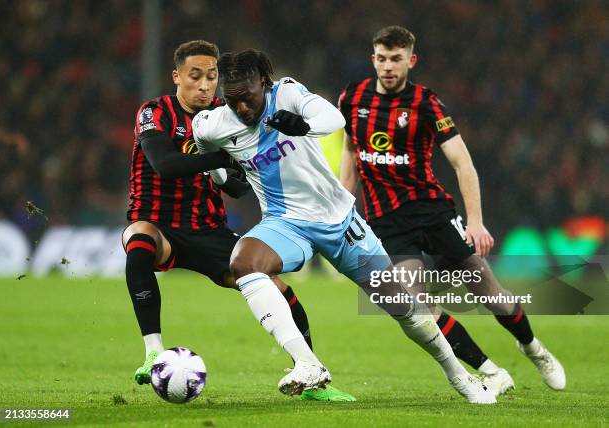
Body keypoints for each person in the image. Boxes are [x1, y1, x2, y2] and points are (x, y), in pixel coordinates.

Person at [192, 49, 496, 404]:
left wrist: (301, 125)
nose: (242, 108)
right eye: (232, 101)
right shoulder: (214, 123)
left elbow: (333, 117)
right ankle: (307, 363)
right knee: (244, 263)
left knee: (407, 310)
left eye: (247, 98)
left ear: (263, 83)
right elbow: (204, 149)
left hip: (340, 223)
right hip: (285, 223)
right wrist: (223, 177)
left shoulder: (286, 93)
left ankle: (461, 378)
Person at [338, 25, 566, 395]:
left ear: (411, 61)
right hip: (386, 220)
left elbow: (463, 163)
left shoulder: (426, 103)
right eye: (381, 58)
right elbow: (351, 152)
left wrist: (475, 221)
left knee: (491, 295)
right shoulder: (353, 98)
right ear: (372, 59)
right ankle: (491, 371)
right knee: (418, 307)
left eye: (396, 59)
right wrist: (345, 207)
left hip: (433, 212)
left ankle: (533, 348)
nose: (388, 67)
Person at [122, 40, 354, 402]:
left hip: (208, 229)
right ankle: (153, 351)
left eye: (211, 77)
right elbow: (164, 165)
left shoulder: (224, 116)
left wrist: (226, 172)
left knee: (275, 288)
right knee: (139, 240)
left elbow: (236, 186)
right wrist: (216, 159)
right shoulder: (155, 112)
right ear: (177, 77)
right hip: (158, 223)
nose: (204, 85)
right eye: (194, 76)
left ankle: (309, 372)